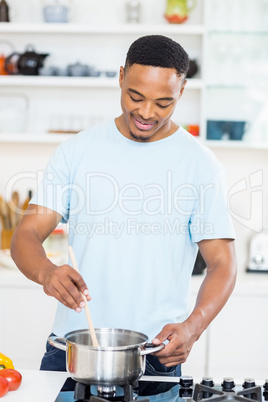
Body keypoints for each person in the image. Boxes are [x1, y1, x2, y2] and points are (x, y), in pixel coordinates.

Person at [11, 35, 237, 390]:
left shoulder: (200, 164)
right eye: (136, 96)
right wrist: (46, 272)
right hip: (73, 350)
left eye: (163, 102)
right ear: (120, 77)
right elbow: (25, 235)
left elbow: (223, 264)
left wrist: (194, 326)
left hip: (155, 357)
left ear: (182, 90)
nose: (147, 113)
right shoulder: (76, 151)